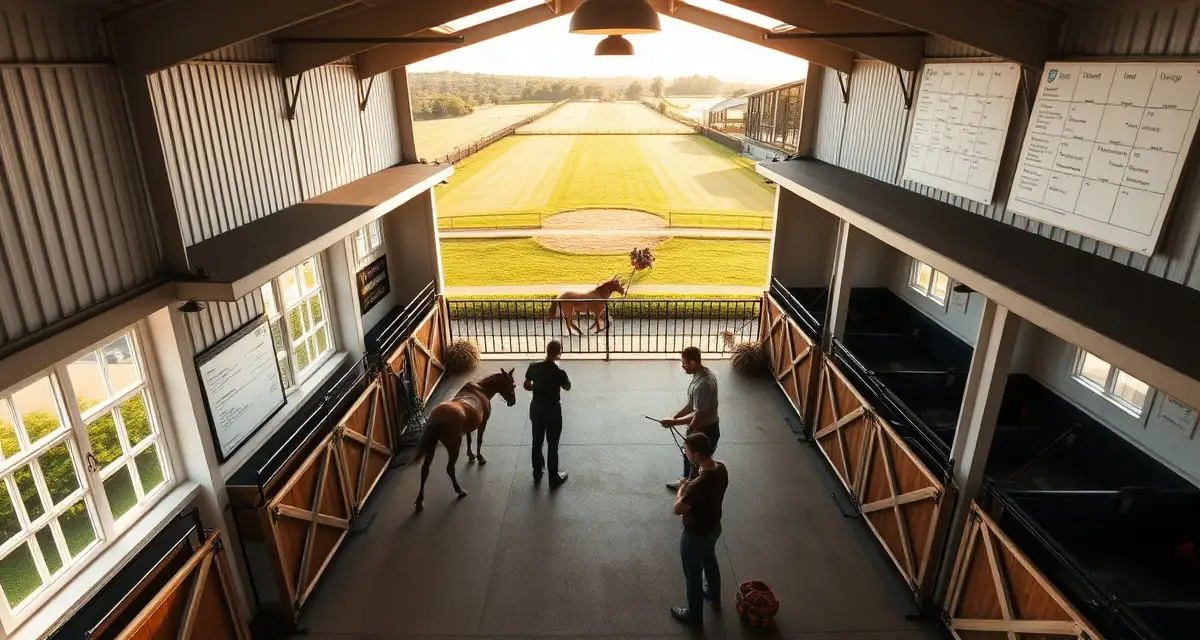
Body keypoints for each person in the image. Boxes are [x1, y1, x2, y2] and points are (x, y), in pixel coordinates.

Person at [671, 432, 728, 625]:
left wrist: (681, 489)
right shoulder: (721, 469)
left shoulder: (696, 486)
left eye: (686, 451)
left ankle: (694, 615)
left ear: (696, 455)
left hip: (695, 536)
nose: (685, 453)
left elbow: (678, 509)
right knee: (709, 559)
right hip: (714, 528)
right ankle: (714, 596)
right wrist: (690, 485)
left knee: (693, 574)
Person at [659, 346, 719, 490]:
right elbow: (692, 404)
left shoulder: (701, 386)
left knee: (695, 461)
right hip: (706, 426)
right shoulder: (703, 374)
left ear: (692, 363)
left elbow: (699, 415)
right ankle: (687, 482)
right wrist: (677, 416)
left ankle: (689, 489)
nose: (682, 366)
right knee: (690, 458)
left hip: (704, 429)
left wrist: (677, 423)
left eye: (684, 363)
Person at [524, 340, 570, 487]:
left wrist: (536, 388)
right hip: (552, 411)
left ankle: (537, 471)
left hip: (537, 408)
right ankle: (553, 477)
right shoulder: (559, 373)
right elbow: (567, 387)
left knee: (537, 441)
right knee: (552, 443)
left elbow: (526, 385)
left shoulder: (533, 367)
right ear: (559, 353)